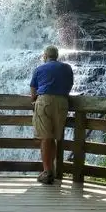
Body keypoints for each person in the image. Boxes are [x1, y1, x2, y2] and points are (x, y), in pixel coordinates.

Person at [30, 45, 74, 185]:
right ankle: (52, 171)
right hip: (62, 102)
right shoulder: (67, 68)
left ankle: (46, 172)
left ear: (45, 56)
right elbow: (69, 85)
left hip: (45, 102)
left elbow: (33, 94)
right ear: (57, 56)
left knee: (45, 138)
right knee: (54, 137)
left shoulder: (39, 69)